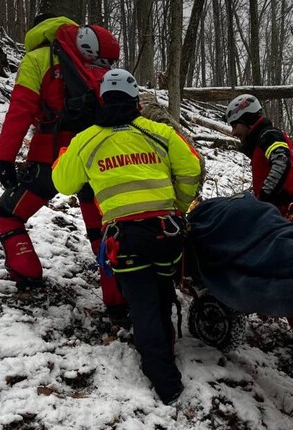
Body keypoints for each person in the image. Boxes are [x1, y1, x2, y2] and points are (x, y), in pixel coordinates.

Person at [51, 69, 202, 404]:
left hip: (126, 237)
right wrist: (177, 206)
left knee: (144, 305)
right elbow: (192, 168)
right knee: (161, 292)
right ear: (136, 99)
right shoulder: (159, 132)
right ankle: (166, 350)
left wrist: (67, 155)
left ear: (102, 98)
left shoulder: (87, 139)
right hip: (167, 232)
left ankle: (165, 381)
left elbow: (62, 183)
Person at [0, 15, 124, 314]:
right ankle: (119, 303)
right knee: (101, 234)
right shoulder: (94, 57)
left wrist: (5, 158)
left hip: (50, 156)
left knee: (7, 215)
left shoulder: (38, 59)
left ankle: (27, 273)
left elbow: (20, 109)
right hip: (96, 157)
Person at [225, 94, 293, 227]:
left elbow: (282, 161)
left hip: (291, 213)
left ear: (246, 120)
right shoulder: (262, 140)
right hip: (285, 213)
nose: (233, 132)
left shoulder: (269, 135)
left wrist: (263, 199)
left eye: (235, 126)